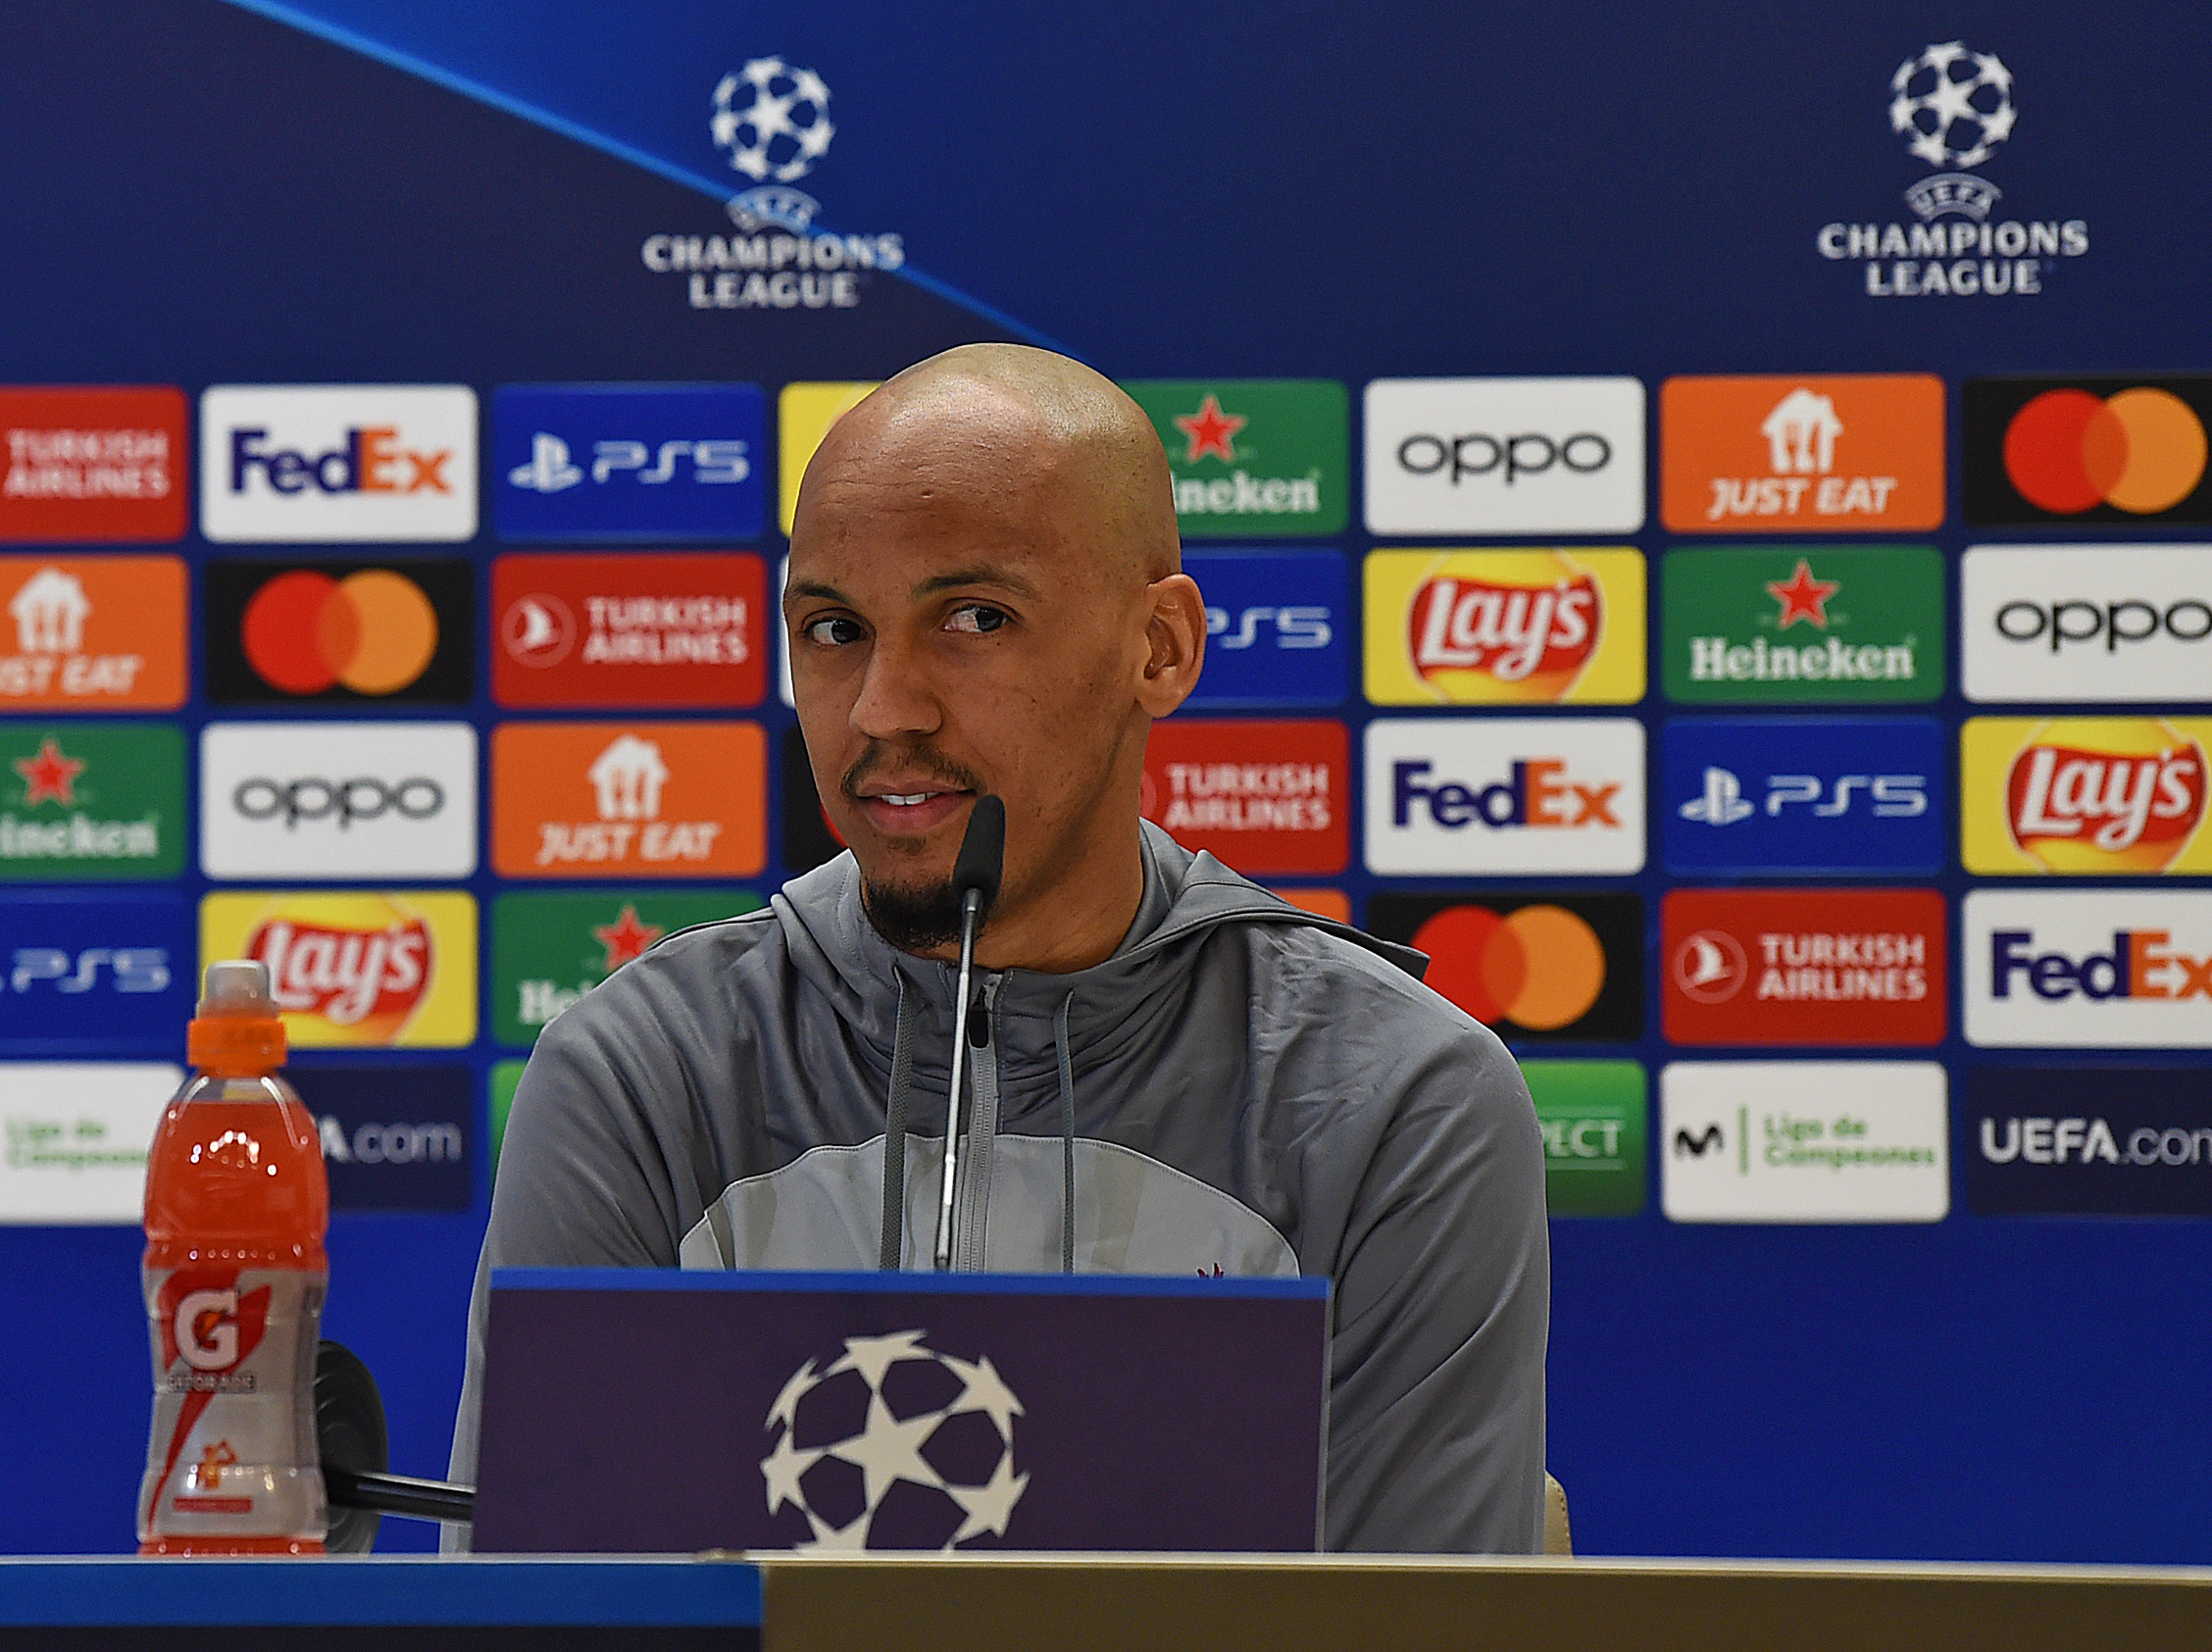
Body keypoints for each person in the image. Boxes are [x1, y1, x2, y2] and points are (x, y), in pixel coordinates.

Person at [446, 344, 1549, 1552]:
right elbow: (536, 1607)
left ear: (1160, 648)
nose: (884, 706)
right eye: (834, 628)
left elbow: (1406, 1631)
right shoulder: (640, 1076)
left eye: (976, 618)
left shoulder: (1397, 1099)